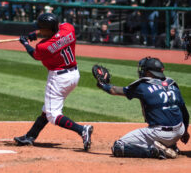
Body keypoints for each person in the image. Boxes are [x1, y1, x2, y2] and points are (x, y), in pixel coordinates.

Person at [14, 13, 93, 151]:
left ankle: (82, 130)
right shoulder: (69, 28)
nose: (39, 29)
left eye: (40, 28)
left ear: (47, 29)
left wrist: (26, 43)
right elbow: (56, 30)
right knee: (47, 108)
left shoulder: (43, 47)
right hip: (74, 75)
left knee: (52, 114)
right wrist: (36, 33)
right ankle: (30, 136)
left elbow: (35, 55)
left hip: (59, 79)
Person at [95, 56, 190, 159]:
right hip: (179, 132)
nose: (142, 72)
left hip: (160, 133)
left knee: (119, 146)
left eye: (144, 70)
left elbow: (114, 90)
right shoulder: (172, 84)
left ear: (149, 73)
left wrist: (102, 84)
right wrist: (185, 132)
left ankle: (154, 152)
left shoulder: (143, 86)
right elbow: (185, 113)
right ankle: (172, 145)